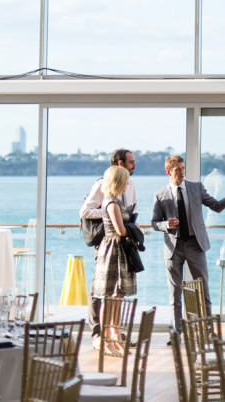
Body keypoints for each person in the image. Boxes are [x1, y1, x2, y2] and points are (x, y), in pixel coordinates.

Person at [151, 154, 225, 329]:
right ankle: (176, 332)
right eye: (177, 170)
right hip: (173, 248)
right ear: (168, 172)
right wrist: (166, 224)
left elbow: (216, 206)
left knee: (203, 289)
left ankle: (208, 329)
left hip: (195, 245)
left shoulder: (196, 187)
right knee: (175, 293)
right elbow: (154, 223)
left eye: (183, 168)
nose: (182, 172)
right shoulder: (160, 195)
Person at [79, 148, 137, 337]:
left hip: (122, 244)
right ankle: (97, 332)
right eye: (131, 162)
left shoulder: (131, 184)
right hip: (106, 241)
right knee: (99, 287)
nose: (134, 165)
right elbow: (84, 211)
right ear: (120, 163)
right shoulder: (102, 184)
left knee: (117, 291)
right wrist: (109, 213)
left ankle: (114, 333)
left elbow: (132, 208)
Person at [90, 164, 135, 355]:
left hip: (116, 250)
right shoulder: (112, 203)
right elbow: (121, 230)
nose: (127, 185)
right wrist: (133, 228)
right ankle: (107, 341)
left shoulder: (114, 201)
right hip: (113, 251)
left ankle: (114, 338)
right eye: (125, 181)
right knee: (110, 298)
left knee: (116, 297)